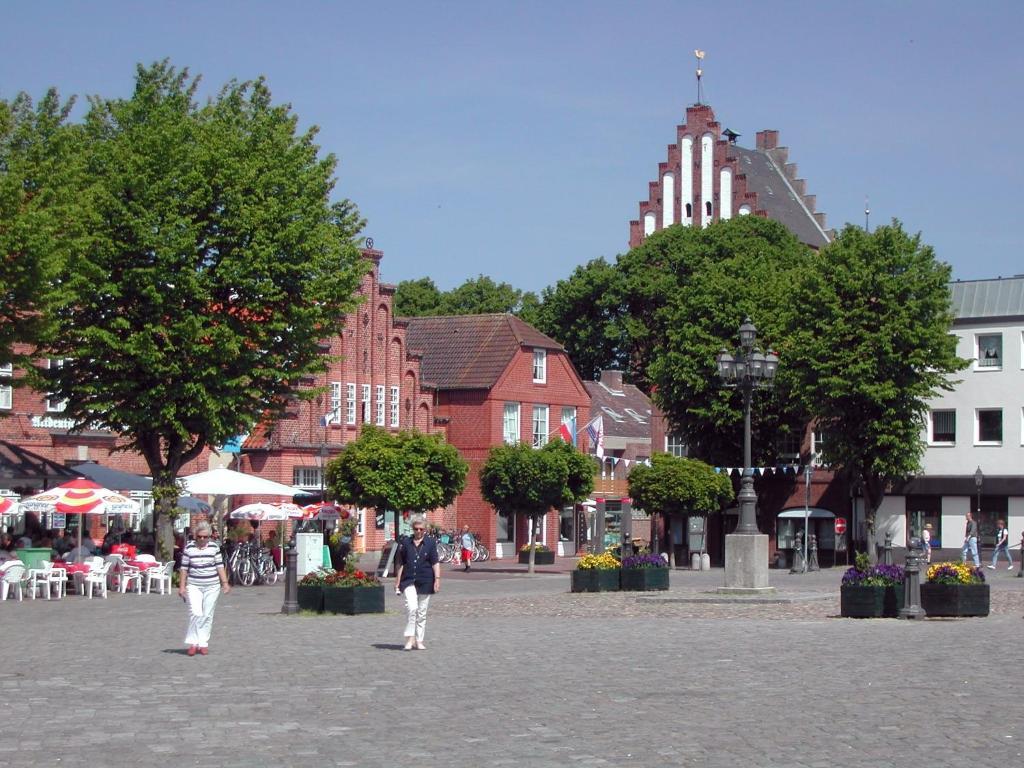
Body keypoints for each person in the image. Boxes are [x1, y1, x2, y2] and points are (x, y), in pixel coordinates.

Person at [178, 521, 231, 657]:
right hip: (194, 584)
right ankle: (193, 642)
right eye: (199, 537)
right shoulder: (189, 548)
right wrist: (182, 586)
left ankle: (203, 643)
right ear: (195, 536)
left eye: (205, 537)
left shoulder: (214, 547)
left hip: (212, 585)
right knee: (195, 612)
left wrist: (224, 582)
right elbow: (184, 569)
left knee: (207, 613)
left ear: (209, 537)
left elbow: (219, 566)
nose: (202, 539)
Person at [394, 515, 440, 651]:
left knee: (422, 612)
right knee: (412, 608)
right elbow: (401, 563)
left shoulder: (430, 543)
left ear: (425, 529)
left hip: (426, 579)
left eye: (421, 529)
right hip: (409, 580)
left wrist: (437, 580)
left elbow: (435, 562)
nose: (418, 531)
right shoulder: (406, 543)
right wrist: (397, 581)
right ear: (412, 529)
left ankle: (419, 640)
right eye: (416, 529)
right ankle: (409, 638)